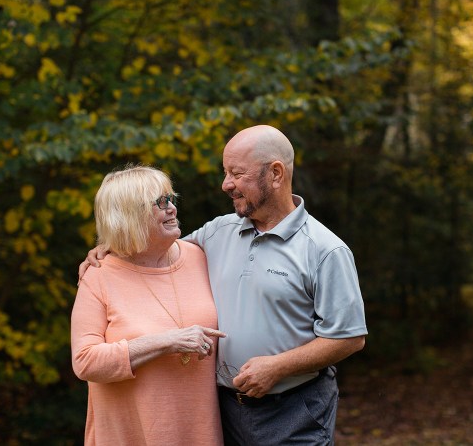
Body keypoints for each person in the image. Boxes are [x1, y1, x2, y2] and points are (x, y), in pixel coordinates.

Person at [80, 125, 367, 445]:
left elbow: (349, 338)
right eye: (225, 172)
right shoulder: (217, 233)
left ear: (275, 174)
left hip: (292, 410)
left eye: (237, 173)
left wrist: (277, 367)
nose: (225, 184)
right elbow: (152, 252)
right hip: (222, 411)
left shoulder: (325, 250)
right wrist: (111, 247)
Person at [71, 165, 226, 446]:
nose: (172, 209)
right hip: (129, 436)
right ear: (129, 216)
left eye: (171, 199)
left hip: (199, 434)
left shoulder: (199, 256)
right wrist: (167, 342)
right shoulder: (99, 274)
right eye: (160, 203)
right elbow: (85, 362)